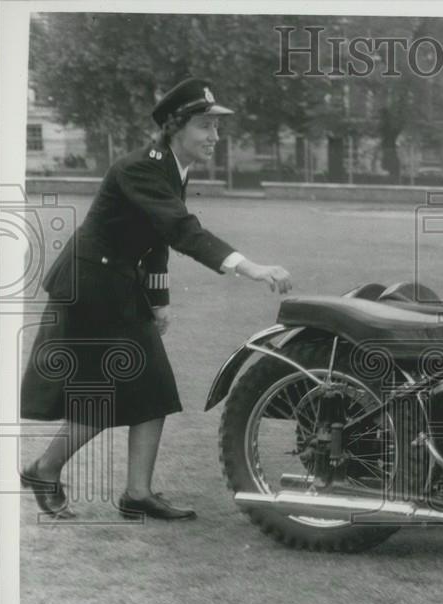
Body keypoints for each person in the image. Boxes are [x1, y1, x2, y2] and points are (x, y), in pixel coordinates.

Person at [19, 78, 292, 521]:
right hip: (89, 285)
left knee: (154, 388)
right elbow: (183, 230)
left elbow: (159, 238)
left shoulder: (170, 167)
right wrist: (251, 267)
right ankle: (44, 470)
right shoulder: (141, 167)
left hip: (118, 283)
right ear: (175, 127)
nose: (214, 138)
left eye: (217, 129)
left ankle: (136, 493)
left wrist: (159, 298)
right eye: (205, 126)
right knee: (106, 393)